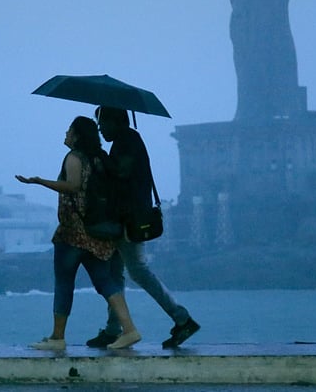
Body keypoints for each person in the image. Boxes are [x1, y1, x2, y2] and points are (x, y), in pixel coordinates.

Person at [16, 116, 141, 350]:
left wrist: (39, 181)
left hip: (73, 232)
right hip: (97, 233)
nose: (65, 134)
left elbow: (73, 186)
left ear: (77, 135)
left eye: (69, 130)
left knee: (64, 282)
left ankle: (57, 337)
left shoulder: (74, 157)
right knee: (105, 281)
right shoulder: (99, 158)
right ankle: (130, 330)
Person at [87, 106, 200, 349]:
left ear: (115, 121)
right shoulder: (124, 141)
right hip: (124, 219)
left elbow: (121, 172)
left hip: (130, 220)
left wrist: (99, 153)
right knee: (116, 273)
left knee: (137, 271)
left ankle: (182, 319)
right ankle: (113, 329)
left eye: (102, 123)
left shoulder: (128, 140)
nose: (99, 128)